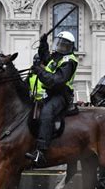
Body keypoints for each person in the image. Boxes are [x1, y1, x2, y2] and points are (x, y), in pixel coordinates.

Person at [25, 31, 78, 165]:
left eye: (63, 45)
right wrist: (43, 42)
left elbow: (57, 80)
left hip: (61, 95)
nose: (60, 46)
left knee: (46, 113)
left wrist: (40, 71)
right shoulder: (57, 57)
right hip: (51, 94)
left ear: (70, 46)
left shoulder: (69, 61)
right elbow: (45, 57)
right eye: (59, 43)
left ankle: (41, 152)